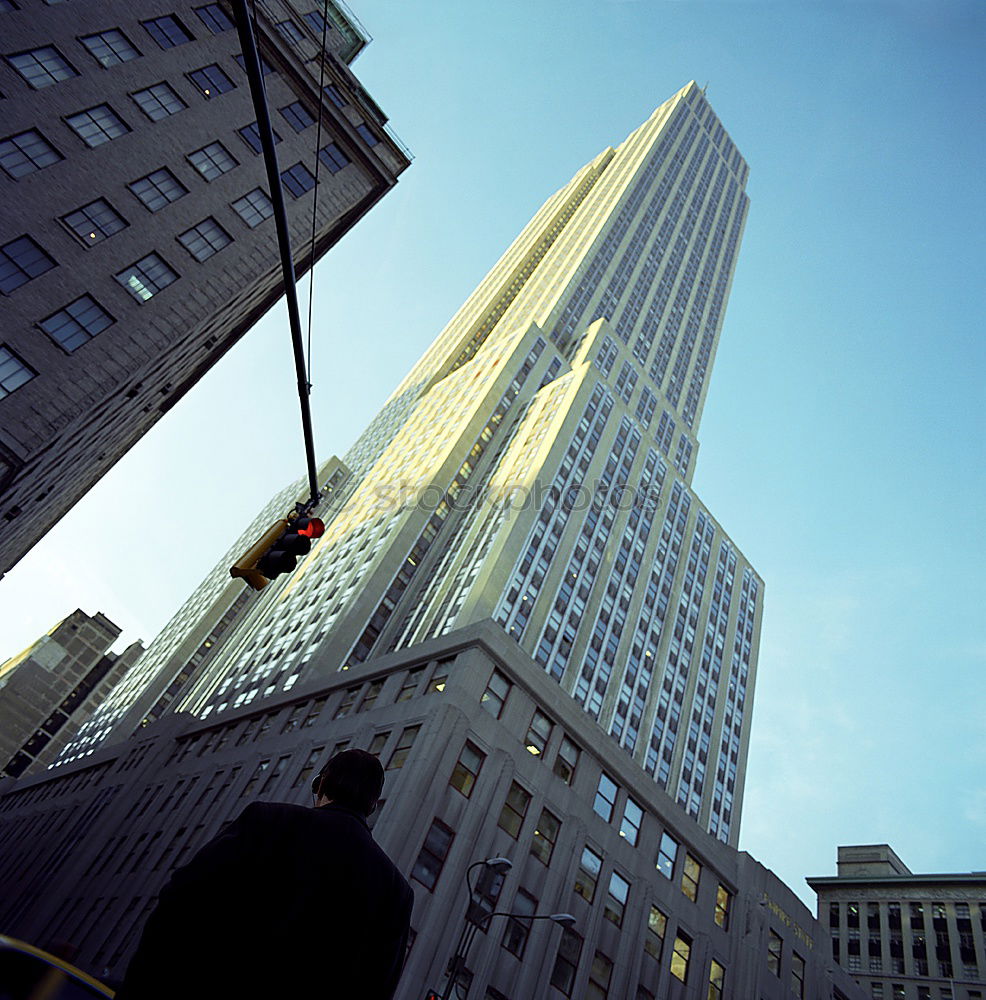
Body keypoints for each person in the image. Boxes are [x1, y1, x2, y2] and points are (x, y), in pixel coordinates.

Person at [115, 748, 413, 999]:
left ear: (322, 784)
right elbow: (377, 988)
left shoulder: (268, 821)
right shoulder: (397, 891)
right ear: (372, 804)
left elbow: (180, 900)